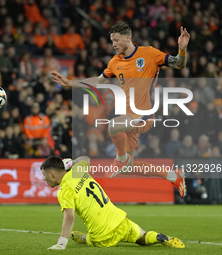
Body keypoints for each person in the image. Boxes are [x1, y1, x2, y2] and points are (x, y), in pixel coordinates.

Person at [50, 22, 190, 198]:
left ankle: (120, 158)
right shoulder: (115, 62)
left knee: (113, 126)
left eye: (116, 40)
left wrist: (182, 50)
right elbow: (98, 82)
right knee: (129, 168)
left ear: (128, 38)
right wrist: (71, 83)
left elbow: (179, 64)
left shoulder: (149, 53)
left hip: (145, 113)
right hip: (129, 116)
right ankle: (172, 176)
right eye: (112, 41)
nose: (113, 44)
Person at [41, 155, 185, 250]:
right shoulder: (78, 170)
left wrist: (61, 243)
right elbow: (86, 158)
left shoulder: (65, 190)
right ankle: (158, 236)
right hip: (119, 219)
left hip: (102, 234)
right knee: (142, 237)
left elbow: (69, 217)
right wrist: (71, 163)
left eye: (44, 174)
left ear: (52, 173)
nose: (43, 179)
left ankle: (85, 238)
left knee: (92, 239)